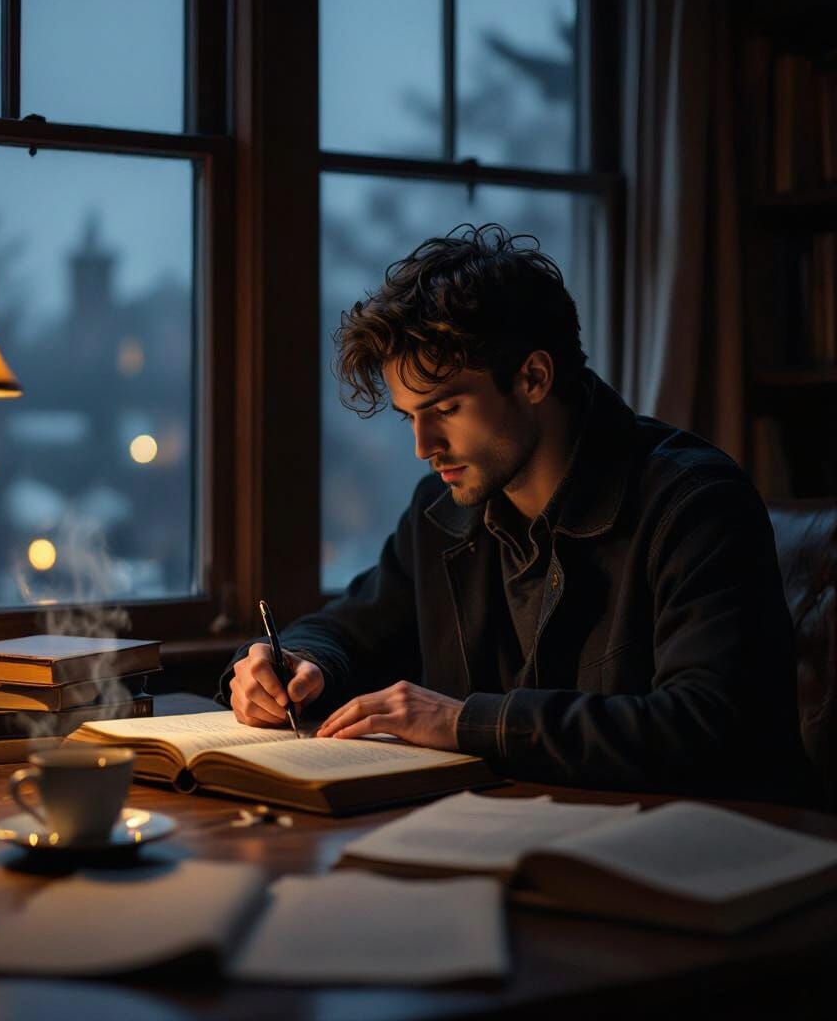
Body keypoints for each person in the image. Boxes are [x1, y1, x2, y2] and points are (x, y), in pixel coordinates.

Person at [220, 224, 811, 801]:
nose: (424, 447)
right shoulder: (441, 510)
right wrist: (296, 664)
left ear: (533, 377)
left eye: (446, 408)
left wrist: (462, 723)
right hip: (513, 838)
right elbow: (350, 626)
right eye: (409, 416)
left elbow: (705, 727)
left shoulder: (694, 502)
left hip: (702, 859)